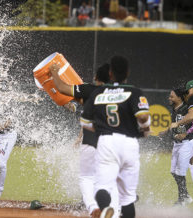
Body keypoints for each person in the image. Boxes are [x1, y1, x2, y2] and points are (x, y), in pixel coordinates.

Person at [81, 56, 151, 218]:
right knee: (127, 199)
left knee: (102, 188)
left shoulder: (98, 92)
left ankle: (107, 211)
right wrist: (145, 128)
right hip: (129, 143)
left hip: (107, 142)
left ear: (110, 73)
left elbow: (84, 122)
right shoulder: (134, 92)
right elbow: (142, 117)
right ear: (127, 72)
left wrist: (99, 130)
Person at [49, 63, 110, 217]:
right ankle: (117, 202)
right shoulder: (121, 93)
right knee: (104, 175)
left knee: (86, 177)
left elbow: (62, 87)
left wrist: (54, 72)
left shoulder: (89, 89)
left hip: (92, 141)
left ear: (96, 77)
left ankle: (92, 206)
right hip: (112, 143)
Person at [166, 89, 193, 205]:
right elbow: (174, 124)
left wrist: (186, 133)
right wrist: (164, 131)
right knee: (173, 171)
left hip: (187, 143)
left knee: (180, 172)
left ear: (179, 98)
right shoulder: (174, 108)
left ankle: (182, 199)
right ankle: (185, 195)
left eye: (172, 96)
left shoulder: (187, 107)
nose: (170, 98)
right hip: (176, 144)